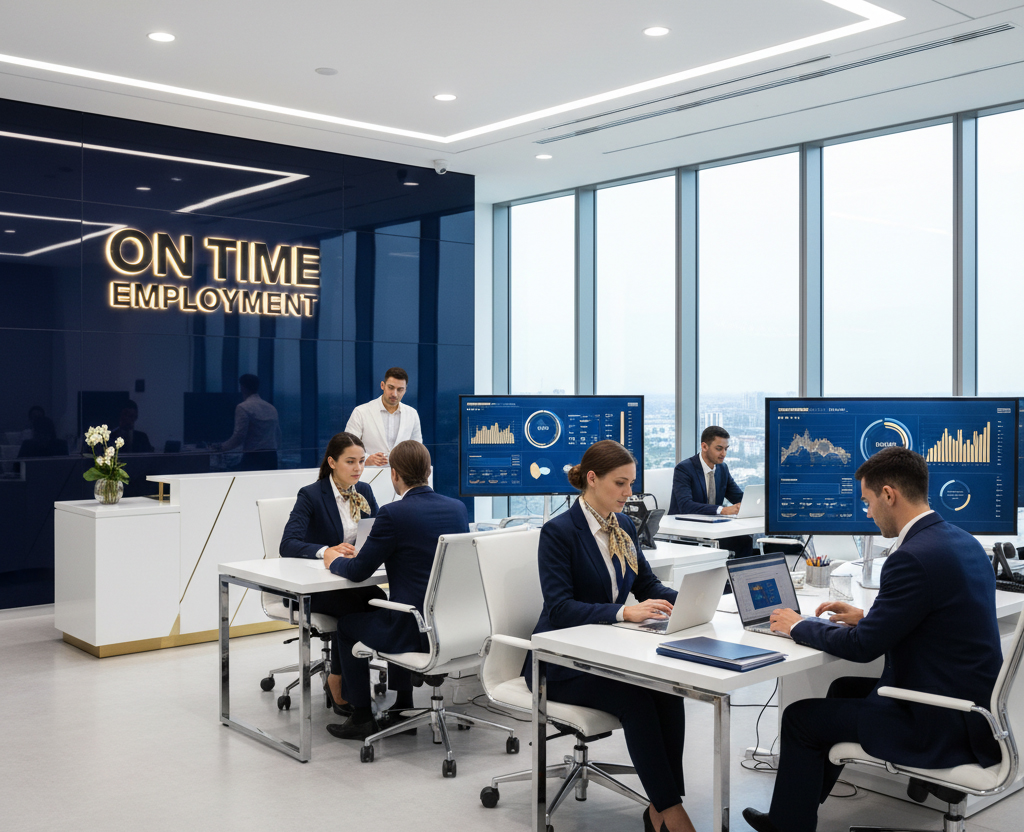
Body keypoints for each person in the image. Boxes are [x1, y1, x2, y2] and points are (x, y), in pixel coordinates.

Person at [742, 447, 1003, 832]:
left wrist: (797, 625)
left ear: (889, 494)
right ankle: (791, 815)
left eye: (867, 502)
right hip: (972, 709)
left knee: (799, 719)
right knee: (842, 688)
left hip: (935, 721)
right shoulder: (962, 541)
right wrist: (868, 618)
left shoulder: (911, 557)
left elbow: (862, 648)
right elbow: (940, 618)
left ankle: (788, 827)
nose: (867, 513)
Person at [525, 439, 696, 832]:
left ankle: (660, 808)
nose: (628, 492)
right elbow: (559, 608)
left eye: (631, 483)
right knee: (635, 700)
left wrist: (693, 599)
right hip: (559, 663)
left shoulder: (624, 527)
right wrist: (623, 611)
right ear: (592, 479)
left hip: (604, 653)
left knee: (668, 691)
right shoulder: (559, 532)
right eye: (620, 483)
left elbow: (648, 584)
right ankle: (673, 815)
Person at [325, 440, 469, 741]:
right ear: (428, 472)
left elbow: (358, 571)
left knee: (348, 625)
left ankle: (361, 717)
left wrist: (333, 560)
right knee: (393, 609)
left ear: (395, 474)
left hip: (412, 630)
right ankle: (403, 705)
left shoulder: (393, 514)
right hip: (453, 625)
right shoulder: (457, 508)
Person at [280, 432, 384, 713]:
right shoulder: (311, 495)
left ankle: (353, 678)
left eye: (361, 461)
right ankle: (340, 681)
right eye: (350, 461)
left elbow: (377, 532)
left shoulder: (364, 491)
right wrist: (326, 550)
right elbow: (287, 543)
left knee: (380, 602)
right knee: (353, 611)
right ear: (332, 462)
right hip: (317, 587)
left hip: (352, 578)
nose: (358, 468)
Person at [668, 425, 752, 557]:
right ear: (704, 446)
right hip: (686, 530)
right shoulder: (684, 469)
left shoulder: (722, 468)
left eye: (726, 449)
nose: (723, 454)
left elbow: (738, 496)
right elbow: (685, 505)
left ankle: (737, 572)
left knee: (745, 540)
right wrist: (722, 510)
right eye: (719, 449)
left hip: (712, 528)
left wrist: (753, 504)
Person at [344, 367, 422, 466]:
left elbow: (417, 449)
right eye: (391, 387)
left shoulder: (412, 414)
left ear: (405, 390)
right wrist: (366, 459)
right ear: (382, 385)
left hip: (402, 473)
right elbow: (348, 445)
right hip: (369, 472)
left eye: (400, 390)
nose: (394, 394)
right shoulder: (361, 412)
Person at [216, 374, 281, 470]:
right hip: (272, 457)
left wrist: (221, 448)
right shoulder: (271, 408)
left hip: (253, 458)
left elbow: (239, 436)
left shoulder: (243, 407)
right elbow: (278, 435)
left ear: (242, 387)